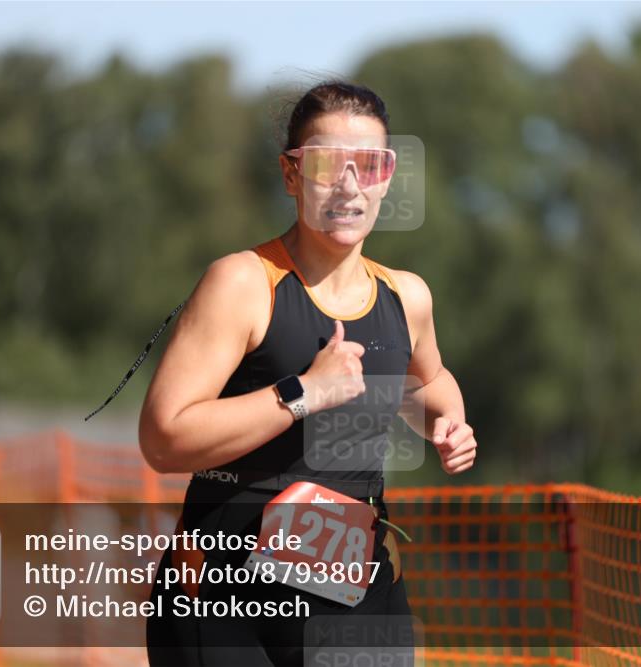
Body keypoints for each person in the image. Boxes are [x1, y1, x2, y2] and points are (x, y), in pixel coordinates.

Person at [140, 80, 477, 667]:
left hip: (355, 588)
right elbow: (164, 439)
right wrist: (302, 393)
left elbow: (427, 383)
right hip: (225, 593)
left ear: (388, 177)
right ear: (292, 174)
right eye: (326, 164)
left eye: (369, 165)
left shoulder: (406, 296)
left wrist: (448, 421)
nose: (349, 186)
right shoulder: (243, 283)